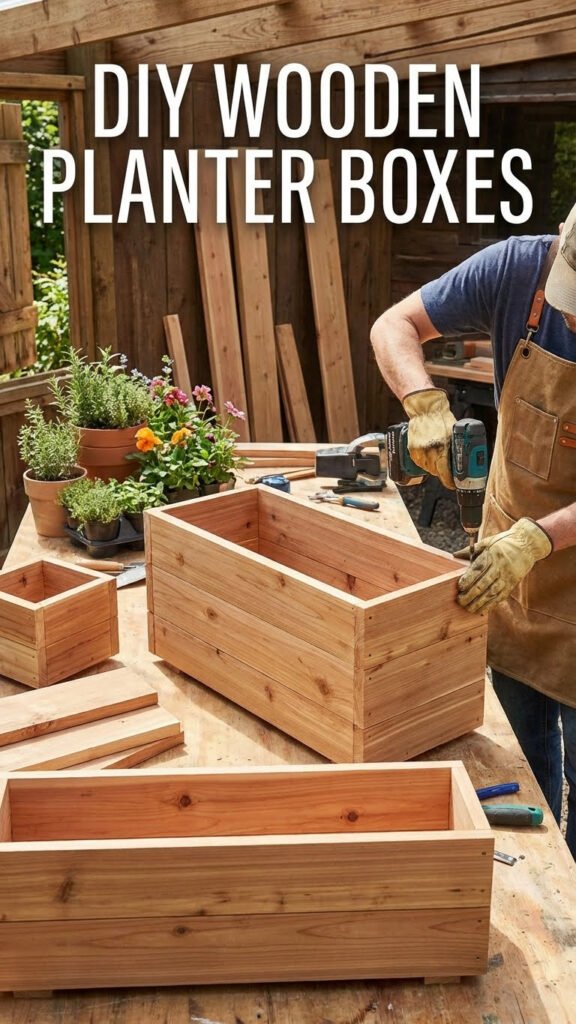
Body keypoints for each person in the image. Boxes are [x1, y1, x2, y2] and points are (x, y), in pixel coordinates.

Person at [370, 203, 576, 859]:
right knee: (517, 776)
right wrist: (422, 402)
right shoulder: (518, 267)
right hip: (507, 581)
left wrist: (539, 538)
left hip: (538, 556)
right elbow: (393, 324)